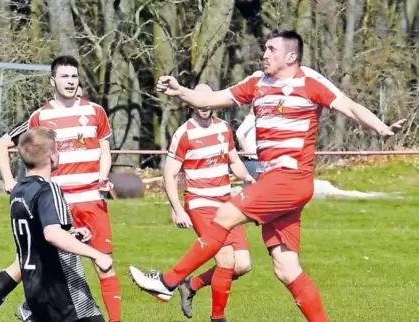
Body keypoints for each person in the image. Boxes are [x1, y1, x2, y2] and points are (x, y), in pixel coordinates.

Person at [128, 28, 406, 322]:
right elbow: (211, 100)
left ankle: (168, 282)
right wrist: (181, 91)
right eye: (264, 49)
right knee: (286, 269)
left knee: (224, 214)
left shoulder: (309, 81)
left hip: (289, 179)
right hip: (272, 182)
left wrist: (381, 128)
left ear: (290, 56)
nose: (264, 54)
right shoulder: (256, 83)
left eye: (271, 49)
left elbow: (349, 106)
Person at [0, 57, 122, 322]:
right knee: (24, 264)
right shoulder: (41, 117)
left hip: (90, 200)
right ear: (53, 81)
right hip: (56, 202)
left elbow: (105, 151)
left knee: (104, 264)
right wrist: (9, 183)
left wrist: (104, 176)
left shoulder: (96, 111)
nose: (70, 81)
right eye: (64, 77)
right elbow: (1, 145)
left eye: (74, 76)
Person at [163, 84, 254, 320]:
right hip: (200, 202)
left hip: (227, 203)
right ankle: (217, 318)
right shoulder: (184, 133)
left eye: (208, 99)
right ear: (191, 102)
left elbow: (233, 161)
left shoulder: (224, 128)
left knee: (242, 264)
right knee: (225, 258)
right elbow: (169, 173)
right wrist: (177, 209)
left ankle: (191, 285)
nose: (204, 105)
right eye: (199, 99)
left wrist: (246, 177)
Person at [10, 126, 111, 322]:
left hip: (33, 284)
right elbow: (52, 234)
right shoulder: (48, 189)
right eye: (57, 150)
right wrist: (96, 254)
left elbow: (38, 233)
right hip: (60, 285)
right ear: (52, 156)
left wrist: (71, 233)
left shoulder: (18, 190)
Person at [236, 112, 260, 184]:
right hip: (252, 159)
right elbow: (239, 133)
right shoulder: (252, 118)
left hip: (258, 159)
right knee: (252, 186)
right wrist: (247, 151)